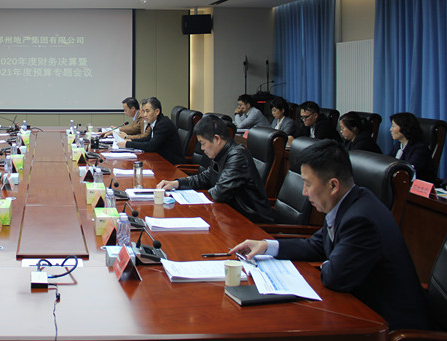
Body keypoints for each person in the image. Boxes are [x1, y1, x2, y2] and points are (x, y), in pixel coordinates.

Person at [230, 140, 429, 330]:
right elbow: (318, 244)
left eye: (308, 184)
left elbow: (335, 277)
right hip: (358, 307)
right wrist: (267, 246)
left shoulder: (361, 220)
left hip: (387, 324)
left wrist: (330, 262)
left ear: (333, 185)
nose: (304, 192)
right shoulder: (349, 202)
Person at [157, 114, 272, 223]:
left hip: (251, 221)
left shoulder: (237, 156)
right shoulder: (222, 153)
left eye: (203, 143)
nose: (202, 148)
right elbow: (205, 178)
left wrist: (209, 190)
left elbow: (219, 193)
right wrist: (177, 183)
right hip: (231, 214)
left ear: (217, 139)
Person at [115, 97, 184, 165]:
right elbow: (147, 139)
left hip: (171, 164)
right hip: (160, 160)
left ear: (157, 111)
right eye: (144, 111)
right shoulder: (155, 122)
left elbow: (151, 146)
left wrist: (127, 144)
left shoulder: (163, 124)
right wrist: (130, 141)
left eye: (147, 111)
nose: (144, 115)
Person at [389, 112, 433, 183]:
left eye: (393, 126)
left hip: (417, 186)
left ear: (404, 127)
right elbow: (388, 161)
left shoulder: (420, 149)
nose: (391, 129)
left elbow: (410, 170)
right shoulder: (398, 145)